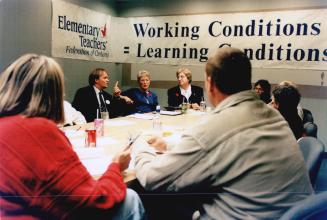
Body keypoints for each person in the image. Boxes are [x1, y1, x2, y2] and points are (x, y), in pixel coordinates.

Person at [132, 47, 313, 219]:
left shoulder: (214, 126)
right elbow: (225, 147)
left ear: (210, 84)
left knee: (152, 199)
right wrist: (169, 145)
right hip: (292, 213)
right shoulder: (272, 115)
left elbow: (151, 178)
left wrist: (139, 143)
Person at [0, 54, 145, 220]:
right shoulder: (40, 130)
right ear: (53, 92)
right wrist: (115, 167)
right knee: (130, 198)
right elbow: (95, 201)